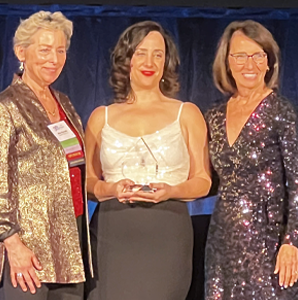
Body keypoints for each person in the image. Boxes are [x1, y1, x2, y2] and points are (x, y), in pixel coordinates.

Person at [85, 20, 211, 300]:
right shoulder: (100, 117)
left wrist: (172, 191)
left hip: (166, 234)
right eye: (141, 52)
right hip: (111, 234)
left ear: (167, 63)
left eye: (158, 54)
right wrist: (112, 189)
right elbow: (88, 182)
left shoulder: (187, 114)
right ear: (126, 58)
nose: (150, 61)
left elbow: (202, 181)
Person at [0, 11, 91, 300]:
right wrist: (12, 244)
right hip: (28, 253)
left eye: (60, 50)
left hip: (69, 248)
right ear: (21, 52)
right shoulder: (3, 107)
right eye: (44, 50)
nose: (53, 59)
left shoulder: (64, 104)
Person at [204, 20, 298, 300]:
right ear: (226, 62)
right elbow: (207, 180)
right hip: (222, 240)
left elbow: (297, 184)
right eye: (240, 55)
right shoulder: (213, 116)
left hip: (269, 242)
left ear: (269, 62)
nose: (249, 64)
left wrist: (291, 242)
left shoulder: (282, 111)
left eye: (258, 55)